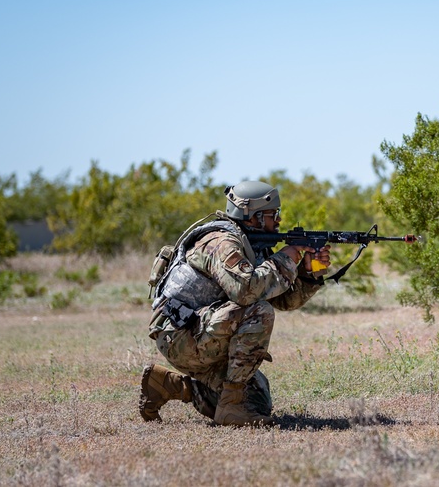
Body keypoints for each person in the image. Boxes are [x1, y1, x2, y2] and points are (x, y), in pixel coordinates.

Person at [139, 180, 330, 426]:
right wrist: (286, 257)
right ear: (255, 217)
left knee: (258, 399)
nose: (279, 222)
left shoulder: (252, 244)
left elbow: (283, 301)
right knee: (259, 312)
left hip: (203, 331)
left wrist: (307, 273)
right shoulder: (220, 242)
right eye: (274, 215)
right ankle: (231, 408)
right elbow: (245, 292)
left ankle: (169, 385)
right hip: (180, 335)